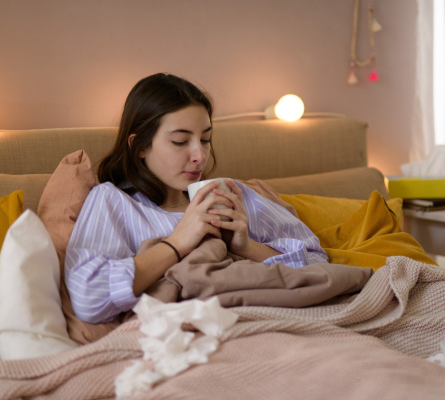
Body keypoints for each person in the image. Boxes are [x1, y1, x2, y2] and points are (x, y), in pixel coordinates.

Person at [64, 73, 328, 324]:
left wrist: (246, 247)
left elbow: (318, 262)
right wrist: (177, 242)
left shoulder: (228, 195)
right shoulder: (113, 201)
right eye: (180, 141)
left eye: (205, 139)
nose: (200, 156)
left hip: (267, 321)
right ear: (140, 146)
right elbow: (89, 299)